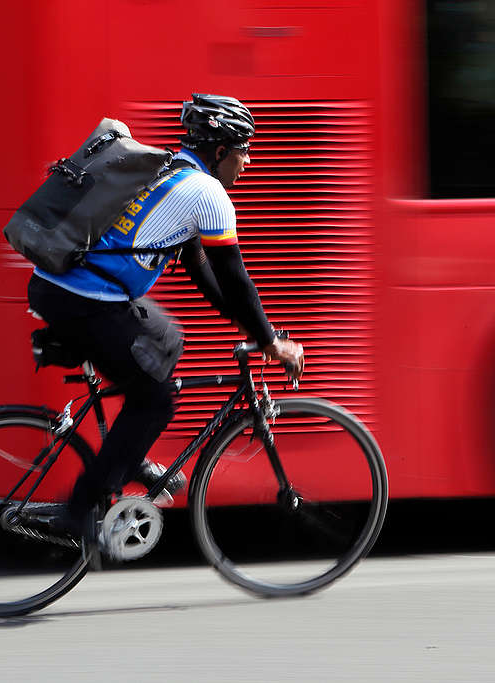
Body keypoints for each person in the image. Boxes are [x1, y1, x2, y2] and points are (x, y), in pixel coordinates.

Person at [26, 93, 304, 542]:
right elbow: (234, 277)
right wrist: (271, 341)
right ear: (220, 152)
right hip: (84, 298)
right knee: (155, 401)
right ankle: (77, 511)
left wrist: (251, 327)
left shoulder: (170, 168)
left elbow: (201, 269)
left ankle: (128, 455)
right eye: (244, 151)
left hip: (64, 287)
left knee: (167, 339)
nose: (247, 162)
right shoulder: (208, 193)